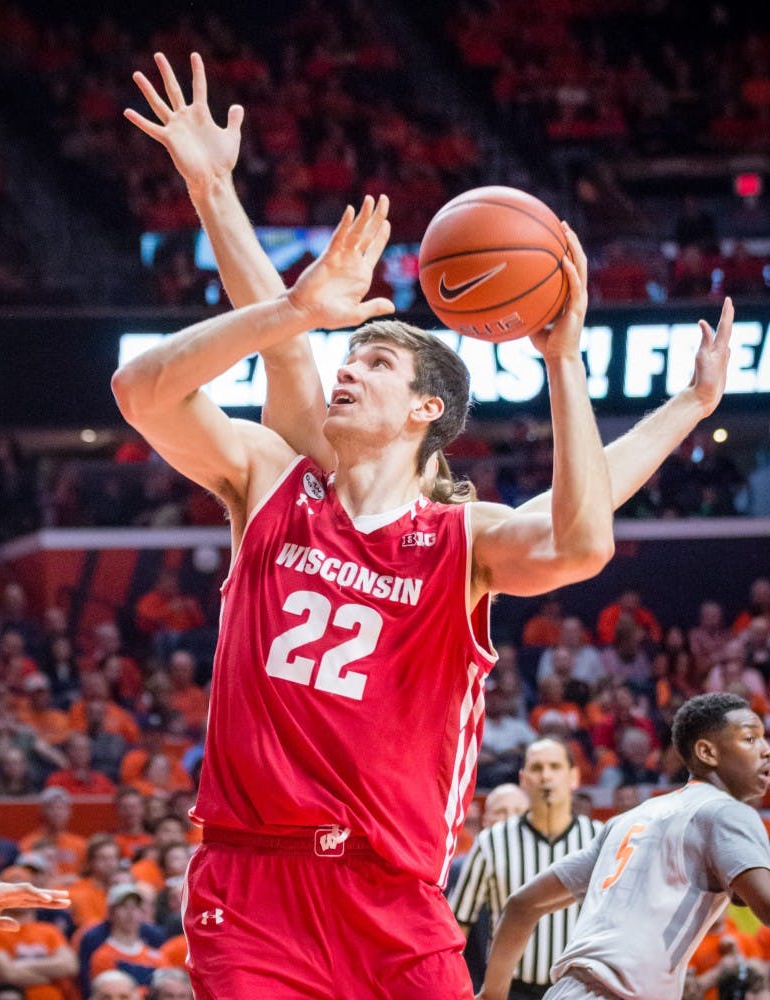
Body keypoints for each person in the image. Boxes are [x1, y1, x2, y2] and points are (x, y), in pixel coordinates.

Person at [119, 51, 734, 999]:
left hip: (393, 900)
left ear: (424, 412)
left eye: (372, 360)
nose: (344, 368)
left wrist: (600, 374)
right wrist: (244, 236)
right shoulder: (276, 483)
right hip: (251, 889)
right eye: (347, 353)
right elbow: (141, 390)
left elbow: (578, 532)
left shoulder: (462, 542)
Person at [478, 693, 770, 1000]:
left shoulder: (627, 821)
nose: (765, 750)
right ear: (707, 752)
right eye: (750, 739)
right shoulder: (726, 811)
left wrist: (491, 995)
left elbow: (522, 904)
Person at [451, 738, 601, 998]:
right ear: (523, 779)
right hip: (512, 990)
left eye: (555, 767)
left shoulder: (599, 840)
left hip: (580, 990)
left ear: (574, 777)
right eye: (537, 768)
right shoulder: (492, 841)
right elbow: (457, 925)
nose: (546, 776)